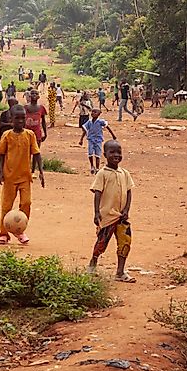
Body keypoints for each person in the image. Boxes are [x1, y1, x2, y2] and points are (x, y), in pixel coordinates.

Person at [88, 140, 136, 283]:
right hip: (107, 216)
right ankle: (92, 264)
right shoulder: (102, 174)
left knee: (125, 242)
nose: (116, 155)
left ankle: (120, 272)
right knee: (102, 243)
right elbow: (97, 193)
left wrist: (126, 209)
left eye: (119, 152)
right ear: (105, 155)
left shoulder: (125, 173)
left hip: (121, 217)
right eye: (112, 152)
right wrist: (96, 213)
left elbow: (129, 191)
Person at [0, 105, 44, 245]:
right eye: (17, 119)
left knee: (26, 203)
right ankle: (4, 233)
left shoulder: (30, 135)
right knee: (6, 206)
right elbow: (1, 155)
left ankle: (20, 230)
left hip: (25, 177)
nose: (20, 121)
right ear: (11, 120)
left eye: (23, 119)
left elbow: (36, 154)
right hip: (9, 177)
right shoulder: (7, 135)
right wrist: (0, 172)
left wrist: (41, 172)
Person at [79, 109, 116, 175]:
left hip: (98, 140)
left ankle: (97, 168)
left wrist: (113, 135)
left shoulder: (100, 121)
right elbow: (84, 130)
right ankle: (92, 166)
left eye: (95, 112)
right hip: (91, 139)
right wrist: (81, 139)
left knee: (97, 155)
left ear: (99, 114)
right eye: (92, 112)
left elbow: (108, 127)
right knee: (90, 153)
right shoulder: (89, 122)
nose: (93, 113)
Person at [24, 90, 48, 174]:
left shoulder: (41, 108)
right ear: (29, 96)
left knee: (36, 152)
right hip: (26, 133)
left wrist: (45, 133)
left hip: (37, 133)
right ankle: (26, 169)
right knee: (26, 153)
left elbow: (43, 121)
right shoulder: (25, 107)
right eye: (32, 93)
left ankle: (33, 171)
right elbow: (22, 120)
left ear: (38, 96)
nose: (34, 95)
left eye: (36, 93)